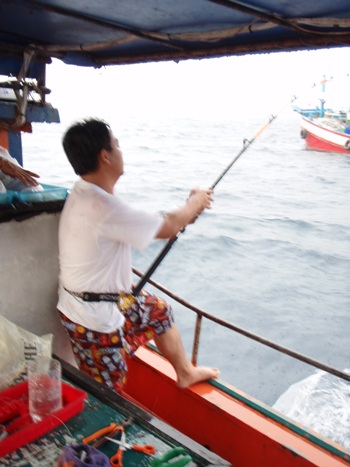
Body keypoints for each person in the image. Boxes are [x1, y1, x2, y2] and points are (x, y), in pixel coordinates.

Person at [57, 118, 220, 393]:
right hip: (93, 321)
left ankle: (185, 372)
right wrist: (194, 202)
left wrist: (185, 215)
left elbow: (160, 224)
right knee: (110, 392)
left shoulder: (88, 192)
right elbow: (167, 226)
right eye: (117, 146)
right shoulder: (102, 205)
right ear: (105, 156)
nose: (121, 151)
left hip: (104, 299)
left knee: (159, 312)